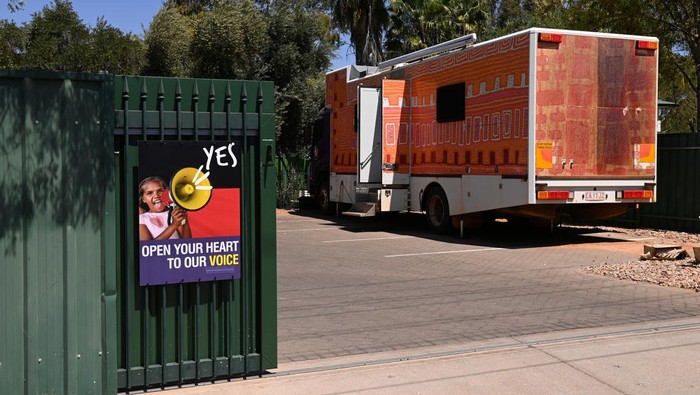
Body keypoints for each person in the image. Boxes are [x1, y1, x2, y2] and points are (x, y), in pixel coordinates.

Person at [138, 176, 192, 241]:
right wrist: (174, 225)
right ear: (143, 199)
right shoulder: (142, 219)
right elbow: (147, 248)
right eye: (150, 193)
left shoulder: (174, 213)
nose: (156, 196)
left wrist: (185, 221)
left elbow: (187, 243)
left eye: (160, 191)